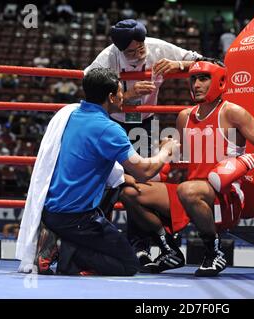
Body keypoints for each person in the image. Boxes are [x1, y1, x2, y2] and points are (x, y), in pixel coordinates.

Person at [120, 61, 254, 276]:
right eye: (193, 79)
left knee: (187, 189)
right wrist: (167, 149)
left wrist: (244, 162)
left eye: (203, 78)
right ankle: (170, 249)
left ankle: (213, 252)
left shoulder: (233, 113)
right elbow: (184, 155)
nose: (196, 84)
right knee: (130, 191)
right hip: (190, 192)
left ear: (220, 81)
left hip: (224, 195)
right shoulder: (184, 117)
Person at [29, 68, 179, 276]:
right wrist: (165, 150)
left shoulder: (69, 114)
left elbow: (86, 155)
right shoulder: (107, 128)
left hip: (51, 211)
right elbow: (145, 171)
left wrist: (121, 176)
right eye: (119, 91)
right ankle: (67, 253)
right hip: (77, 218)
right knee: (128, 265)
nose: (122, 96)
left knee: (118, 185)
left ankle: (66, 243)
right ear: (110, 97)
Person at [84, 19, 202, 261]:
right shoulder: (108, 58)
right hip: (113, 123)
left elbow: (204, 62)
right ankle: (95, 245)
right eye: (131, 52)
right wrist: (127, 95)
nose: (139, 54)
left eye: (141, 48)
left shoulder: (157, 47)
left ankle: (140, 244)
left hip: (145, 122)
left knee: (139, 185)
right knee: (107, 182)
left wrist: (179, 64)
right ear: (119, 50)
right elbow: (90, 91)